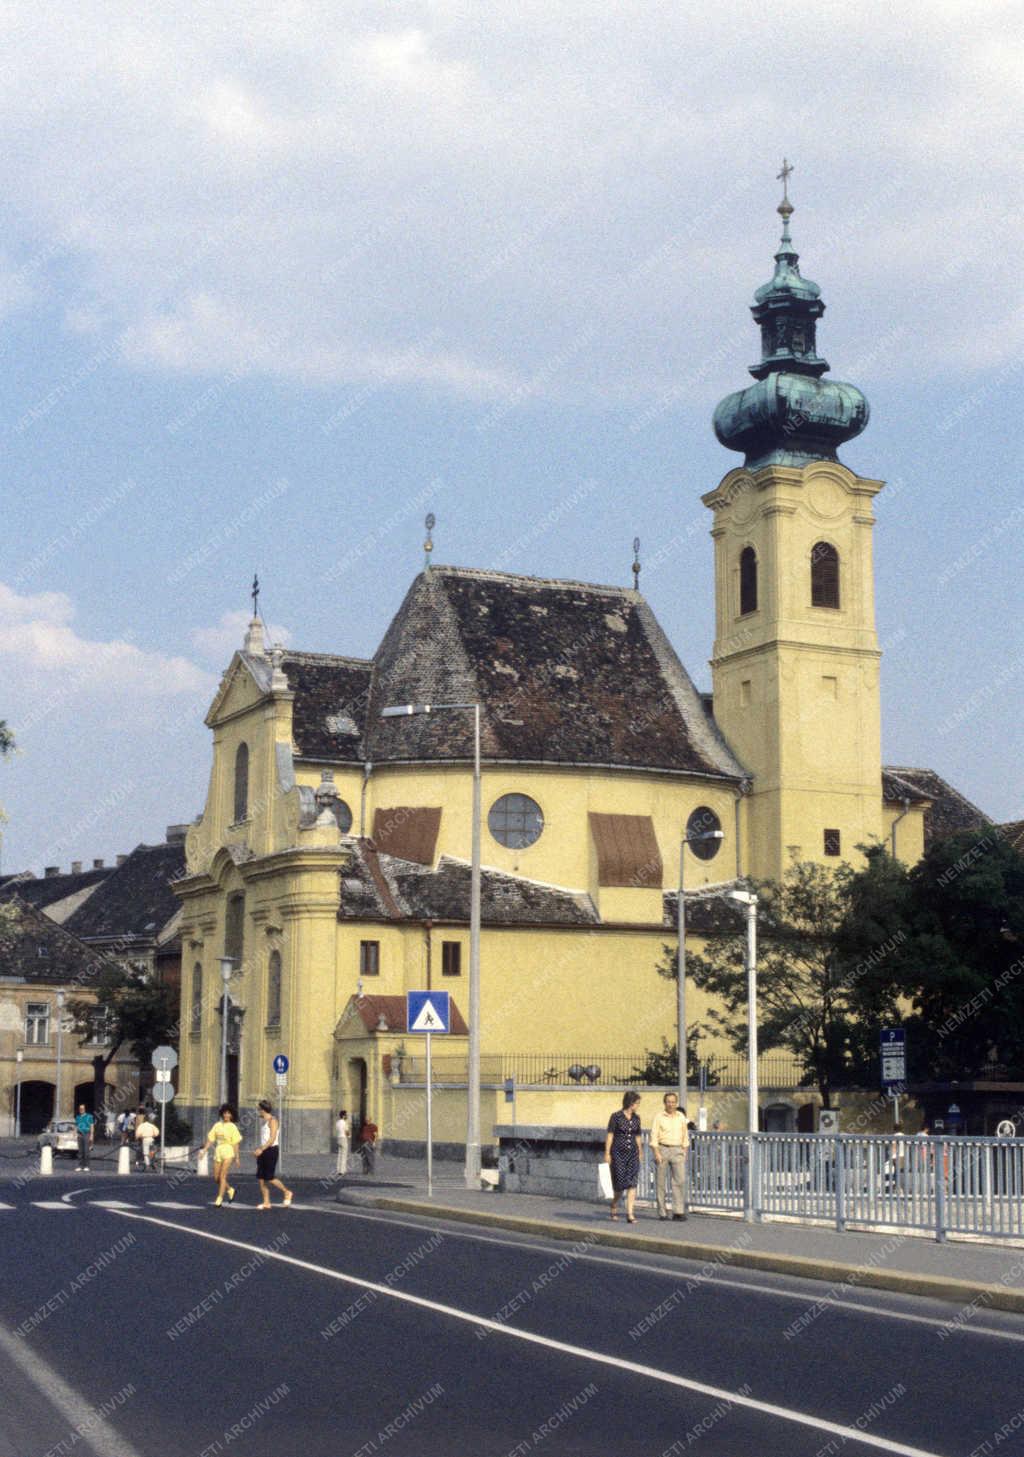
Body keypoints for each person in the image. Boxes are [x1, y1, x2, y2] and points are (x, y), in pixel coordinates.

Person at [603, 1090, 643, 1223]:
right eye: (637, 1103)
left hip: (632, 1153)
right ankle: (614, 1204)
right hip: (618, 1153)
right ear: (630, 1103)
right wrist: (607, 1153)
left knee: (632, 1183)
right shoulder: (616, 1117)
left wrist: (640, 1151)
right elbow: (610, 1135)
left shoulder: (637, 1118)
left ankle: (630, 1213)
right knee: (620, 1185)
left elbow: (637, 1136)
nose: (638, 1105)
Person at [650, 1091, 689, 1221]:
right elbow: (654, 1135)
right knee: (661, 1182)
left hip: (678, 1150)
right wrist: (656, 1152)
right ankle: (662, 1212)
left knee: (680, 1180)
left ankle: (678, 1211)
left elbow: (685, 1134)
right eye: (668, 1102)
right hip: (663, 1148)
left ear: (676, 1103)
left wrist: (685, 1151)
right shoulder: (659, 1117)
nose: (671, 1104)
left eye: (673, 1102)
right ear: (664, 1103)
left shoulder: (681, 1117)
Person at [253, 1099, 293, 1209]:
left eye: (259, 1109)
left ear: (263, 1110)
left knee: (269, 1177)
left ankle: (287, 1192)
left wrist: (261, 1149)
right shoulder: (265, 1122)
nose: (258, 1112)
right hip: (264, 1151)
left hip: (271, 1151)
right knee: (261, 1178)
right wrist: (260, 1150)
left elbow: (272, 1138)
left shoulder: (273, 1121)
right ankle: (266, 1202)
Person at [201, 1104, 242, 1206]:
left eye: (229, 1113)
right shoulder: (217, 1125)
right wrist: (204, 1150)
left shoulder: (233, 1127)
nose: (226, 1115)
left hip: (228, 1151)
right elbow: (210, 1139)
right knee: (216, 1178)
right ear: (222, 1113)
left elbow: (236, 1143)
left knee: (223, 1176)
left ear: (232, 1115)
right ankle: (230, 1190)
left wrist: (237, 1158)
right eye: (225, 1113)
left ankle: (219, 1198)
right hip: (218, 1151)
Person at [74, 1105, 95, 1171]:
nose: (81, 1109)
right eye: (80, 1108)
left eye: (82, 1108)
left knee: (86, 1151)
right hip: (79, 1134)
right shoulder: (77, 1117)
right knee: (80, 1151)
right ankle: (80, 1166)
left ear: (85, 1109)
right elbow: (76, 1126)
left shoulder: (89, 1116)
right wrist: (75, 1133)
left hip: (86, 1133)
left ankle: (86, 1166)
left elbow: (91, 1126)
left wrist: (91, 1135)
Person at [335, 1109, 350, 1175]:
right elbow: (346, 1131)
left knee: (339, 1154)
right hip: (343, 1138)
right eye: (346, 1115)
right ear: (343, 1116)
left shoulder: (337, 1122)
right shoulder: (344, 1122)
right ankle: (342, 1170)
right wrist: (349, 1136)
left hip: (339, 1138)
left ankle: (338, 1169)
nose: (347, 1116)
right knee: (344, 1155)